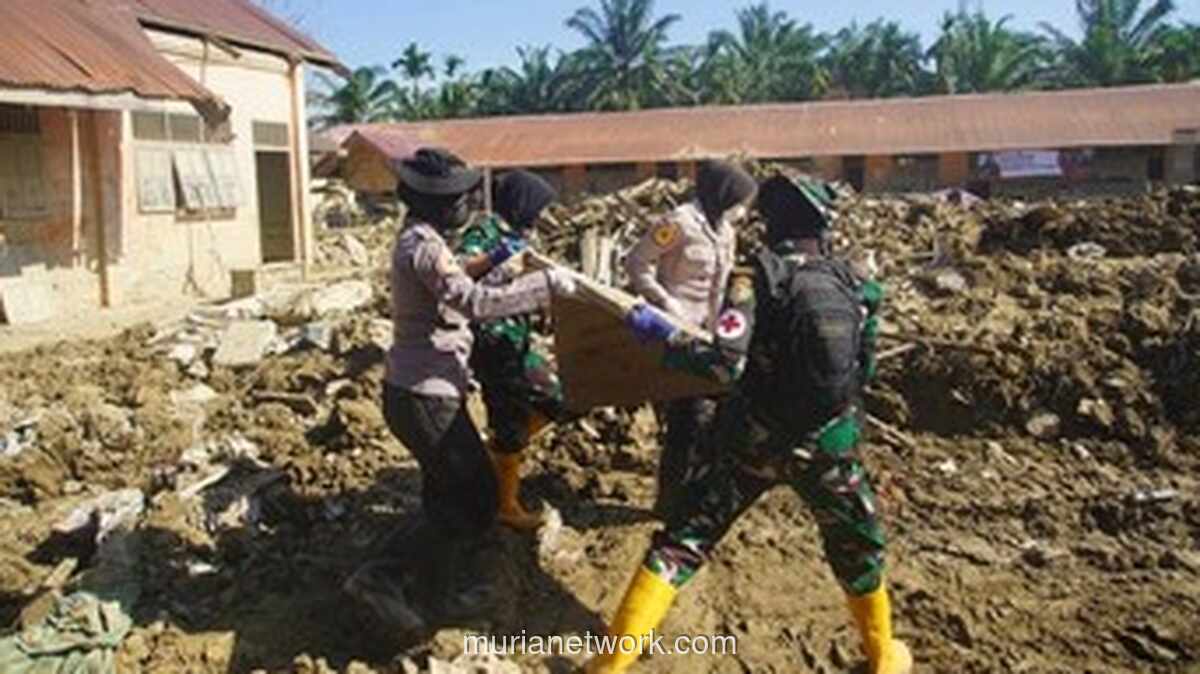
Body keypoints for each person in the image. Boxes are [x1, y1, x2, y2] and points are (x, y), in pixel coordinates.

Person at [585, 174, 910, 674]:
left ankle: (608, 667)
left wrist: (664, 338)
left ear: (770, 222)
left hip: (752, 443)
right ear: (824, 225)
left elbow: (724, 365)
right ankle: (884, 656)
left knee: (683, 539)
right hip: (829, 446)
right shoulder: (859, 288)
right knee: (857, 545)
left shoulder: (754, 278)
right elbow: (861, 374)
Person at [344, 148, 575, 631]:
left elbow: (454, 279)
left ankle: (436, 595)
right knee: (474, 498)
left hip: (422, 390)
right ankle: (381, 576)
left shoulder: (422, 237)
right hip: (424, 395)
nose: (467, 204)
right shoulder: (424, 245)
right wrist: (544, 287)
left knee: (445, 496)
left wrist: (494, 257)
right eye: (458, 198)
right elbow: (471, 302)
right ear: (437, 202)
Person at [623, 160, 756, 519]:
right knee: (687, 419)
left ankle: (692, 496)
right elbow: (636, 262)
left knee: (710, 422)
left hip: (710, 336)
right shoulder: (678, 223)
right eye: (737, 198)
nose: (740, 207)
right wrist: (665, 303)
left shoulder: (726, 230)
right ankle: (671, 504)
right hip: (676, 334)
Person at [455, 170, 570, 530]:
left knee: (554, 401)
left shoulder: (521, 235)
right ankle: (505, 502)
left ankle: (501, 459)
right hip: (491, 342)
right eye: (536, 208)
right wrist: (502, 259)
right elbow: (462, 277)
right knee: (519, 413)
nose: (539, 216)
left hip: (514, 339)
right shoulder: (484, 233)